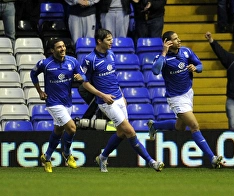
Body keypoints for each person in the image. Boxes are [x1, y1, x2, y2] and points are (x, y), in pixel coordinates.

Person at [81, 28, 164, 172]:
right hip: (106, 102)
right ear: (99, 41)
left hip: (119, 98)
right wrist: (102, 96)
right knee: (130, 132)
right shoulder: (90, 60)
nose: (111, 42)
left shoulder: (111, 54)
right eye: (108, 39)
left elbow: (113, 78)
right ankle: (152, 162)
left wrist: (122, 95)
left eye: (111, 39)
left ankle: (102, 157)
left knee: (121, 133)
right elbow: (84, 83)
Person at [147, 31, 224, 169]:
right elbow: (155, 71)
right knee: (194, 126)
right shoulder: (162, 58)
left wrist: (196, 68)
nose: (179, 40)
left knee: (179, 128)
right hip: (176, 98)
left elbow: (200, 66)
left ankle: (155, 126)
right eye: (175, 39)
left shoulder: (186, 51)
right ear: (168, 42)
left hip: (188, 93)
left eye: (178, 38)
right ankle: (212, 158)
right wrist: (164, 52)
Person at [30, 38, 86, 173]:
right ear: (52, 50)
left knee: (58, 131)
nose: (63, 49)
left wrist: (81, 78)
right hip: (53, 103)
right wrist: (40, 91)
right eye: (59, 47)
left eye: (63, 46)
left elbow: (83, 75)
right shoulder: (45, 63)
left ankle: (47, 157)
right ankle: (67, 154)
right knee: (72, 129)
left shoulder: (72, 61)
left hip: (67, 102)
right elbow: (33, 74)